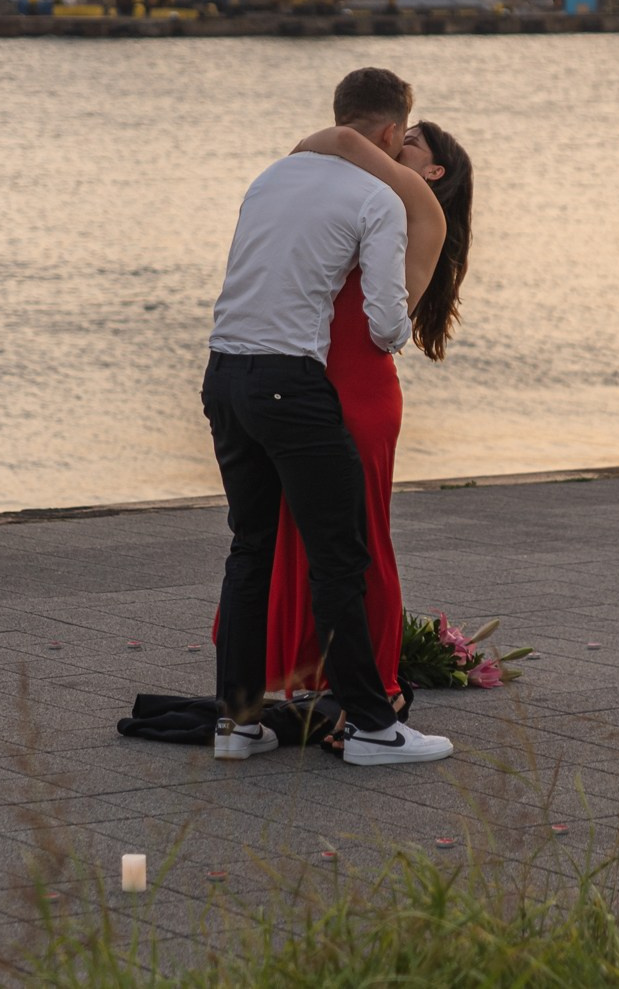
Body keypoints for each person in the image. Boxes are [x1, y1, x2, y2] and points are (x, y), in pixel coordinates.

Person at [202, 67, 455, 766]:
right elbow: (384, 325)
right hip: (295, 386)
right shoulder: (375, 198)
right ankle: (371, 725)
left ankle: (240, 724)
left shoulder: (274, 178)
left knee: (255, 549)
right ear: (388, 132)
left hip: (229, 373)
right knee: (337, 558)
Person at [260, 119, 473, 708]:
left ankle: (375, 682)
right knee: (297, 534)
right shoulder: (371, 208)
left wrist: (318, 143)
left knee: (361, 538)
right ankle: (301, 672)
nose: (396, 146)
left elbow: (345, 140)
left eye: (410, 142)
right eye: (397, 134)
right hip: (311, 382)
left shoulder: (419, 212)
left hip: (360, 393)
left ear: (434, 171)